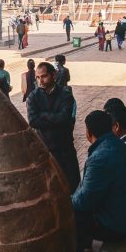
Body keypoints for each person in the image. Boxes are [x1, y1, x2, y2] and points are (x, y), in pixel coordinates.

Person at [71, 110, 126, 250]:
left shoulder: (99, 158)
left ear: (88, 133)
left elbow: (85, 201)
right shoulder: (118, 144)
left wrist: (68, 200)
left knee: (70, 212)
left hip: (115, 227)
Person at [26, 62, 80, 190]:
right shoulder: (33, 97)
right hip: (46, 150)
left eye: (44, 76)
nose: (41, 81)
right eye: (38, 77)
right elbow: (33, 121)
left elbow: (65, 118)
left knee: (72, 186)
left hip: (65, 149)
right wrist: (55, 117)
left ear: (53, 75)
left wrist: (43, 115)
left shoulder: (65, 94)